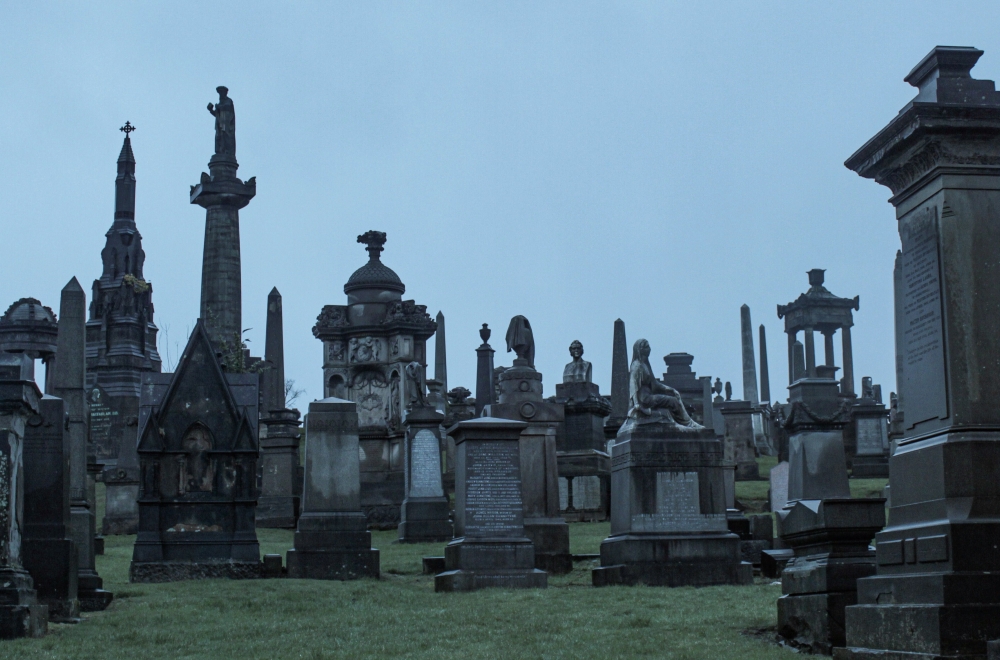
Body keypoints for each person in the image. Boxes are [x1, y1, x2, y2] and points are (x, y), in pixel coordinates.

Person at [627, 338, 701, 428]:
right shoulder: (636, 365)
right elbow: (633, 386)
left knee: (674, 397)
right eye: (646, 347)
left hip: (648, 398)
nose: (649, 349)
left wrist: (671, 389)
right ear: (640, 350)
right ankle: (688, 424)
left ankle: (687, 422)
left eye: (649, 346)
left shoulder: (644, 365)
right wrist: (636, 404)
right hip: (645, 400)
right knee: (673, 401)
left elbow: (655, 384)